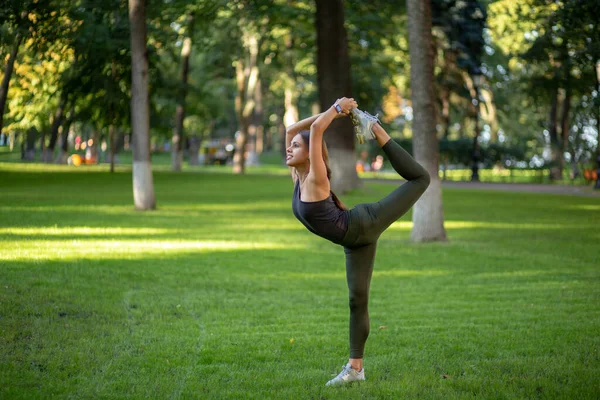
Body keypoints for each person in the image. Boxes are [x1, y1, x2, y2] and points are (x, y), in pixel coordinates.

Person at [285, 97, 431, 386]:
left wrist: (338, 108)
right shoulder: (298, 177)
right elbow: (293, 128)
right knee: (357, 300)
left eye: (296, 147)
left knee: (420, 179)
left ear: (310, 154)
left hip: (365, 223)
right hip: (354, 240)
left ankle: (374, 128)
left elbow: (315, 131)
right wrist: (333, 114)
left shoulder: (315, 178)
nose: (289, 148)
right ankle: (356, 370)